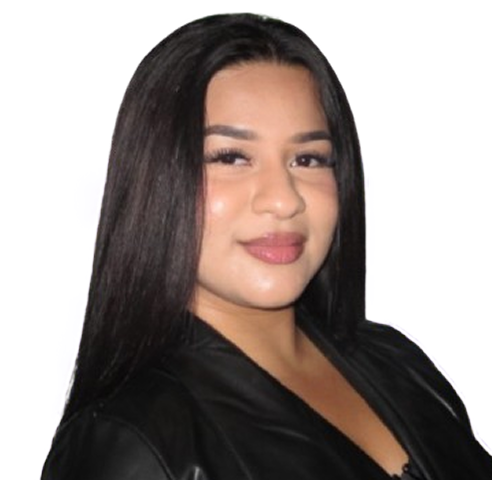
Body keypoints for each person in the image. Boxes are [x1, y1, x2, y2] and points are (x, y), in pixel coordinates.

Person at [40, 12, 490, 480]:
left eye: (308, 159)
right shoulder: (130, 443)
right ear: (156, 177)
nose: (283, 199)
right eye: (231, 157)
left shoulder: (397, 360)